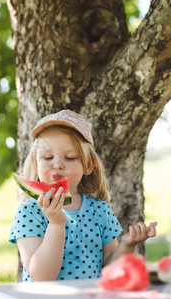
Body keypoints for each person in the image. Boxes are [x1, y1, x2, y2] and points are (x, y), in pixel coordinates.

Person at [9, 109, 157, 282]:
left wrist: (128, 245)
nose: (57, 164)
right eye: (48, 157)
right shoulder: (29, 213)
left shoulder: (100, 211)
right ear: (35, 163)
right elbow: (42, 276)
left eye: (70, 157)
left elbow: (109, 272)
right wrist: (56, 224)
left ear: (88, 165)